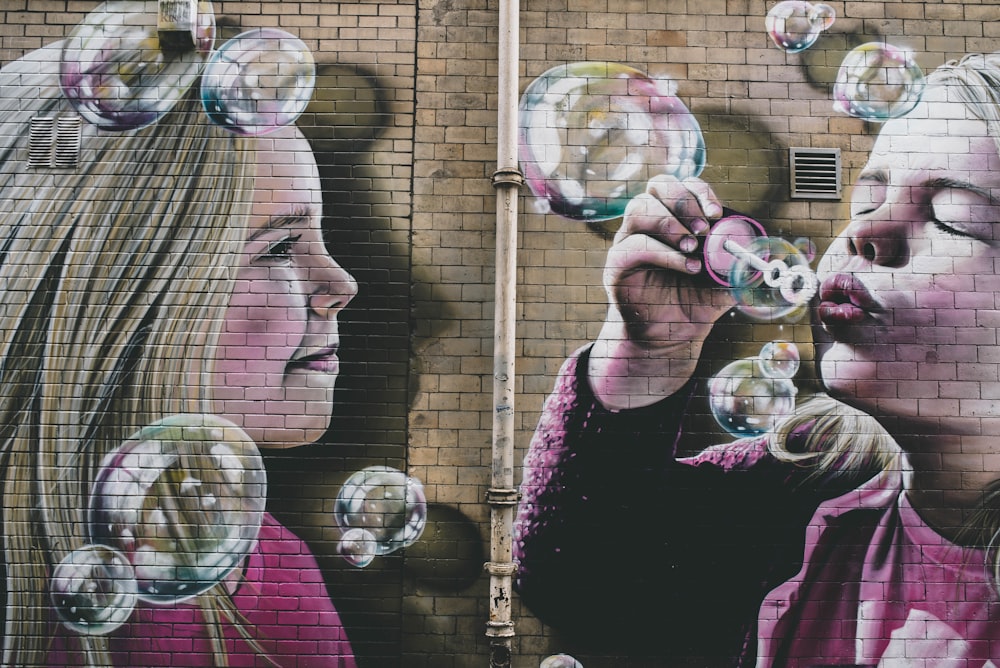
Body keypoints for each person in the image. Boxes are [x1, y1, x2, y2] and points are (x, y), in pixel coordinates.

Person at [514, 51, 1000, 666]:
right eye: (867, 197)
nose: (865, 231)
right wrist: (645, 352)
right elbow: (583, 587)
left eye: (954, 219)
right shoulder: (804, 478)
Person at [0, 25, 358, 668]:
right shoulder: (266, 587)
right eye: (279, 247)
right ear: (122, 303)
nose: (341, 284)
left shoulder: (270, 575)